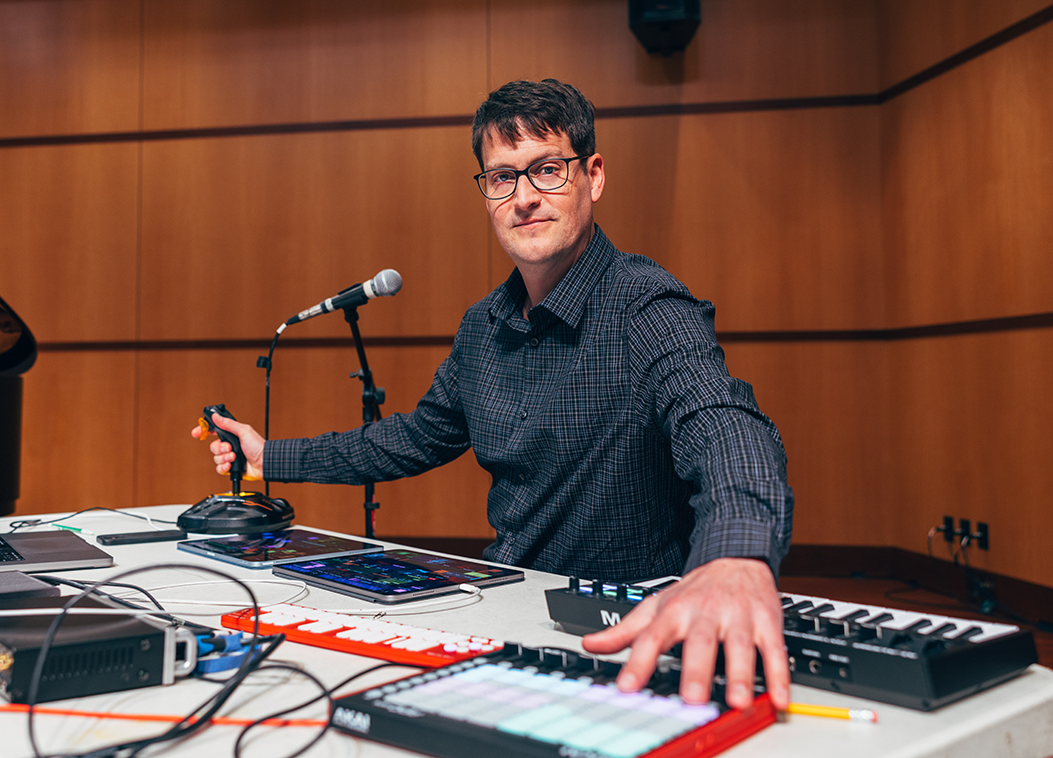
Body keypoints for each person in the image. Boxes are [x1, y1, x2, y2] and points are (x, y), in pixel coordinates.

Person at [193, 79, 793, 711]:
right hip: (498, 603)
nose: (524, 198)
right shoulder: (484, 325)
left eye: (547, 170)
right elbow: (414, 437)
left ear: (593, 176)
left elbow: (729, 429)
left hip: (609, 632)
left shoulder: (645, 306)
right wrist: (270, 457)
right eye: (501, 178)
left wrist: (735, 558)